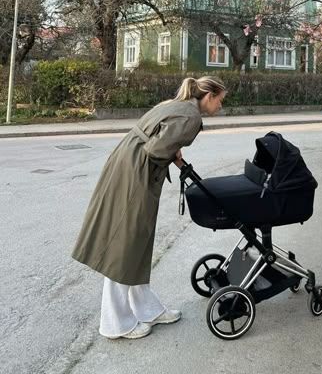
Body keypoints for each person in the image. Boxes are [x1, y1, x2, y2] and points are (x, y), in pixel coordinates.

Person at [72, 76, 226, 340]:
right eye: (220, 101)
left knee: (137, 241)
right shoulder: (192, 117)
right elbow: (157, 150)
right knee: (125, 242)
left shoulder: (177, 104)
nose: (220, 107)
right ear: (209, 96)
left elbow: (157, 137)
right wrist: (172, 151)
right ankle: (115, 323)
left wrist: (172, 150)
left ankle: (146, 308)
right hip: (136, 172)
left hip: (127, 161)